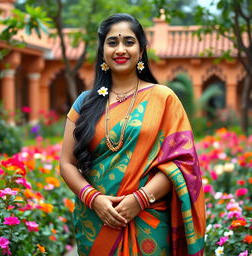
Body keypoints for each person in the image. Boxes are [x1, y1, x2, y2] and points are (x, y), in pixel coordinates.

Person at [60, 13, 205, 256]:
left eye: (129, 42)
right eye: (112, 42)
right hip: (96, 220)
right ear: (103, 50)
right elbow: (66, 163)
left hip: (149, 220)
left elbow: (181, 164)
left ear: (141, 50)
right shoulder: (85, 103)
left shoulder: (163, 98)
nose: (120, 49)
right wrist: (94, 199)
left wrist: (140, 199)